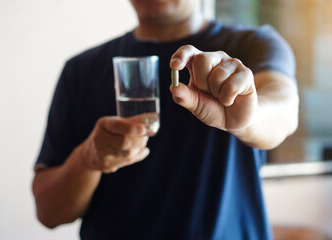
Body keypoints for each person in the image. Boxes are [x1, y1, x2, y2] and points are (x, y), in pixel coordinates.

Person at [32, 0, 299, 239]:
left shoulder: (255, 44)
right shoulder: (81, 70)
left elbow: (284, 111)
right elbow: (49, 212)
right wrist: (87, 159)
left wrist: (250, 116)